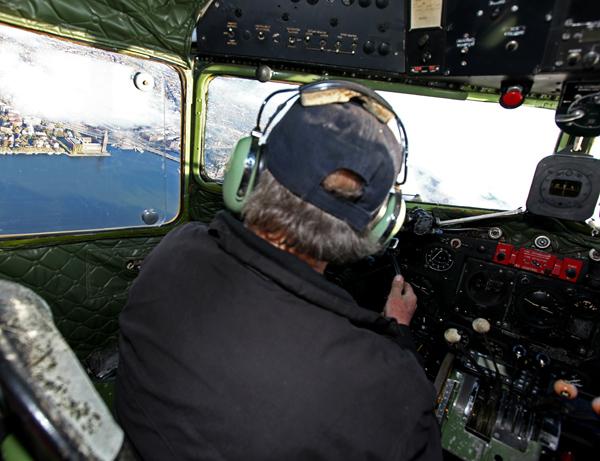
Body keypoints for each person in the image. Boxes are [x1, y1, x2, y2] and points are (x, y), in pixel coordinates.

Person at [116, 81, 442, 460]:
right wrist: (398, 333)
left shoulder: (175, 250)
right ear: (379, 225)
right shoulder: (387, 386)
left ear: (249, 169)